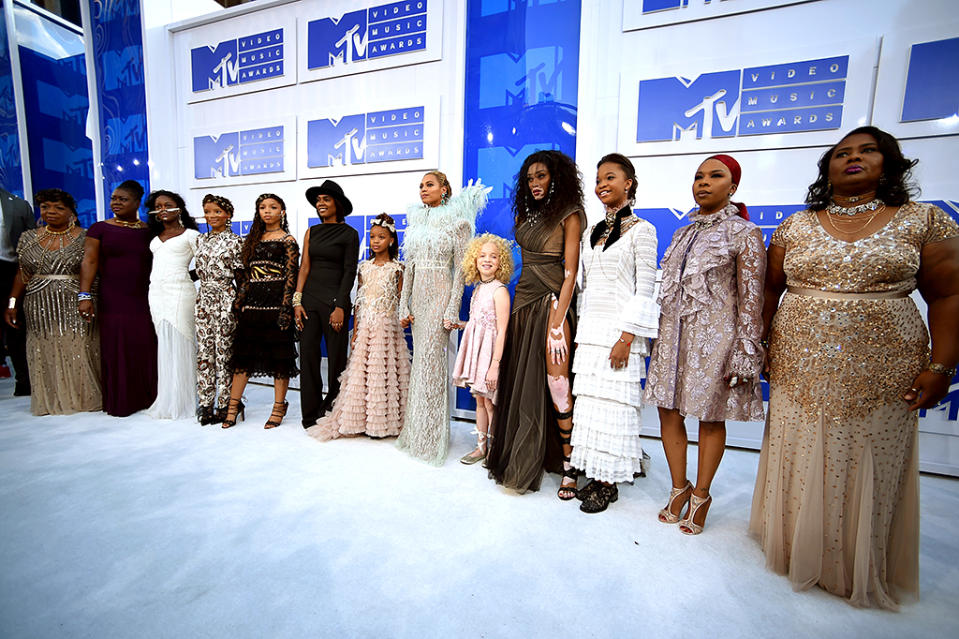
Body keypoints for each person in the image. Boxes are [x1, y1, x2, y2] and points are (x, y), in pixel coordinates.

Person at [749, 126, 959, 609]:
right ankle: (794, 547)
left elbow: (948, 294)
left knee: (870, 455)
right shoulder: (794, 226)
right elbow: (768, 290)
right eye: (841, 153)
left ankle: (859, 561)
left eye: (867, 151)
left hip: (885, 365)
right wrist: (759, 343)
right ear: (827, 167)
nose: (853, 158)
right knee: (799, 447)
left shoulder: (923, 220)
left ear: (890, 162)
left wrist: (943, 366)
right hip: (799, 359)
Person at [644, 154, 766, 534]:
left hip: (716, 338)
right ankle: (678, 488)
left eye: (715, 176)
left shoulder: (744, 233)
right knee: (668, 411)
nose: (704, 182)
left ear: (733, 187)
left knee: (711, 417)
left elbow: (752, 297)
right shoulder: (682, 232)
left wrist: (746, 346)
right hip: (674, 335)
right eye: (698, 176)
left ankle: (701, 494)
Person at [486, 150, 586, 496]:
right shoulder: (524, 212)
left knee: (557, 383)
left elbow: (571, 273)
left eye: (541, 176)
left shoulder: (571, 214)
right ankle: (531, 453)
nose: (534, 183)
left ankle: (570, 464)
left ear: (556, 177)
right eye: (529, 179)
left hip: (553, 301)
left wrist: (559, 323)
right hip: (524, 300)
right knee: (523, 380)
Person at [570, 154, 659, 513]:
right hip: (590, 331)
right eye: (598, 179)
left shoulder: (643, 230)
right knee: (591, 405)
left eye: (610, 177)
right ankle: (594, 467)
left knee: (616, 407)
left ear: (629, 184)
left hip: (621, 335)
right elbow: (584, 286)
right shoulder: (593, 232)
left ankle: (608, 481)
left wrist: (626, 339)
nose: (602, 184)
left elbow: (646, 288)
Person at [396, 171, 489, 465]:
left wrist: (452, 308)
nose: (423, 189)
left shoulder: (457, 222)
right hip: (418, 300)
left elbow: (461, 270)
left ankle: (432, 439)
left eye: (430, 184)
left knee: (432, 366)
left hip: (439, 296)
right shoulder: (416, 220)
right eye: (421, 186)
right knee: (419, 365)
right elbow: (409, 267)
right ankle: (415, 434)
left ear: (444, 189)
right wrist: (403, 304)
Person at [307, 213, 410, 441]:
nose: (375, 241)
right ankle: (361, 421)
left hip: (387, 327)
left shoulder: (398, 268)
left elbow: (402, 299)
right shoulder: (364, 267)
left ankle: (383, 422)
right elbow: (360, 300)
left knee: (384, 373)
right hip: (366, 328)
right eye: (372, 237)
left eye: (381, 237)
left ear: (391, 240)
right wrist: (356, 329)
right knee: (362, 374)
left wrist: (405, 316)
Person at [4, 189, 100, 415]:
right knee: (43, 346)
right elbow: (22, 273)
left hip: (75, 298)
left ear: (71, 212)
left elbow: (93, 268)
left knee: (79, 346)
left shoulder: (86, 236)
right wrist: (11, 303)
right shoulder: (28, 238)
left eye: (58, 208)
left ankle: (83, 399)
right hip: (38, 302)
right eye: (45, 207)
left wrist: (85, 296)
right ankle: (51, 400)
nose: (51, 212)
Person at [79, 180, 158, 417]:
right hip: (113, 296)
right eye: (114, 198)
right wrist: (84, 294)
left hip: (145, 297)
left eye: (123, 199)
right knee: (117, 345)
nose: (116, 203)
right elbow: (89, 261)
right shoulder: (99, 228)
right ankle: (122, 401)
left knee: (144, 345)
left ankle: (148, 397)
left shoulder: (148, 231)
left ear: (137, 203)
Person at [222, 193, 299, 429]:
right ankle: (233, 407)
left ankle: (278, 407)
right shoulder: (252, 239)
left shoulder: (288, 240)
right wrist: (240, 301)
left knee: (279, 359)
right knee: (242, 358)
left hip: (276, 305)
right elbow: (245, 276)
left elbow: (291, 277)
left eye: (273, 207)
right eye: (262, 207)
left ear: (282, 212)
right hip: (253, 306)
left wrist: (286, 308)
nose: (267, 211)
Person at [294, 180, 359, 428]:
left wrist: (341, 305)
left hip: (335, 303)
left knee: (336, 361)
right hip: (309, 300)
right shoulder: (311, 231)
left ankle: (333, 407)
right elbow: (304, 268)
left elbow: (349, 271)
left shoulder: (349, 234)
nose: (321, 203)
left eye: (326, 199)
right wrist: (297, 301)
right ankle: (309, 414)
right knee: (308, 357)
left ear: (337, 204)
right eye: (318, 200)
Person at [452, 233, 513, 465]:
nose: (487, 260)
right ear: (474, 260)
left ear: (501, 262)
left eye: (494, 256)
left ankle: (495, 449)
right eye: (482, 255)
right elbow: (478, 323)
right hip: (478, 354)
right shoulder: (478, 289)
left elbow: (502, 330)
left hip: (491, 357)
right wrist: (460, 324)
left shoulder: (500, 291)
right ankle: (481, 448)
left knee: (490, 402)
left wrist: (495, 366)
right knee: (479, 400)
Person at [145, 190, 200, 420]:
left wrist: (186, 277)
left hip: (180, 293)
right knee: (165, 343)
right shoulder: (154, 237)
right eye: (158, 206)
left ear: (179, 208)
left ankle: (185, 401)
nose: (163, 209)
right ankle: (168, 398)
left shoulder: (191, 235)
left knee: (182, 341)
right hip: (156, 293)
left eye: (168, 205)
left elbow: (208, 266)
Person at [194, 194, 243, 425]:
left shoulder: (236, 241)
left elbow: (242, 278)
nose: (212, 216)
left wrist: (240, 305)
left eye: (217, 211)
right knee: (204, 352)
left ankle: (226, 404)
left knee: (224, 353)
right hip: (203, 299)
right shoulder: (199, 240)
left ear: (228, 215)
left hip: (226, 298)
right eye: (207, 211)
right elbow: (199, 271)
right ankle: (205, 404)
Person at [1, 185, 36, 395]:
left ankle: (24, 381)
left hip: (9, 270)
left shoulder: (18, 205)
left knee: (15, 326)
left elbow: (32, 246)